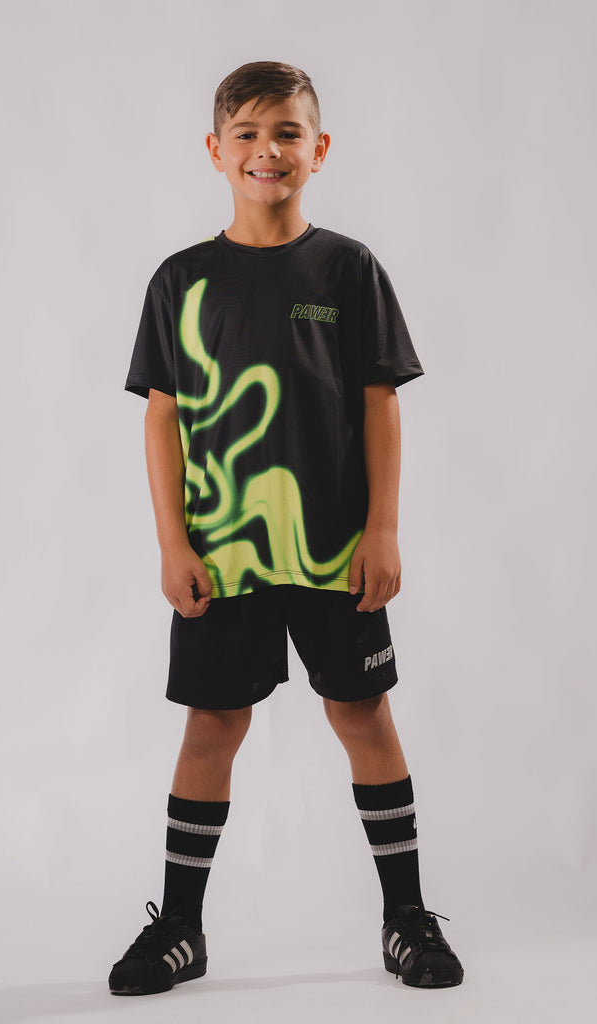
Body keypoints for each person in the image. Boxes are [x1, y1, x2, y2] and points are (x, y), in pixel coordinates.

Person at [108, 60, 464, 995]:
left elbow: (380, 401)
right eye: (249, 134)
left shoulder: (348, 268)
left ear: (319, 148)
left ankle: (405, 918)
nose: (268, 151)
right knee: (212, 727)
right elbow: (161, 416)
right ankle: (180, 927)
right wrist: (171, 543)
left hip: (334, 550)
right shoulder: (182, 280)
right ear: (216, 150)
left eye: (288, 134)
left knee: (363, 715)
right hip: (222, 557)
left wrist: (382, 530)